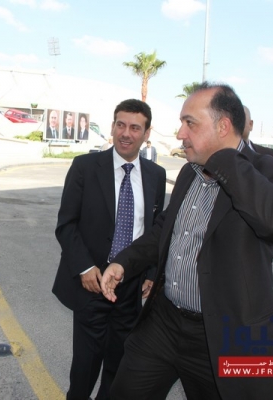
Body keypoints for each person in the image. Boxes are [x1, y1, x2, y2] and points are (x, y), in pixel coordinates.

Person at [100, 83, 273, 400]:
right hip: (164, 323)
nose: (180, 133)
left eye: (190, 123)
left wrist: (223, 157)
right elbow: (165, 230)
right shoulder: (189, 173)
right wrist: (124, 262)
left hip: (221, 336)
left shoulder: (272, 172)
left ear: (223, 127)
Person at [53, 99, 167, 400]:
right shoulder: (85, 167)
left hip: (131, 288)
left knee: (119, 366)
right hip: (91, 284)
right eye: (120, 125)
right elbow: (66, 225)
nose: (126, 133)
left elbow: (155, 231)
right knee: (85, 367)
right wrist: (85, 268)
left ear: (147, 133)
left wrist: (151, 273)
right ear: (113, 127)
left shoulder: (156, 175)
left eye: (135, 127)